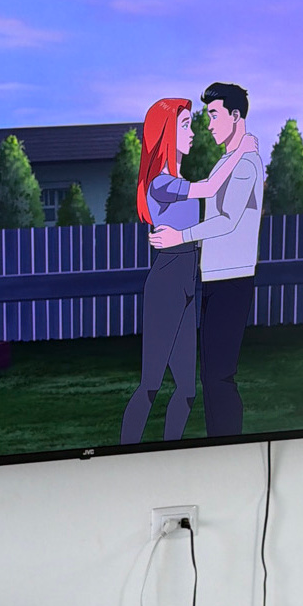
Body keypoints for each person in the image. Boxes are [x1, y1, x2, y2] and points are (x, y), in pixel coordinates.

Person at [120, 98, 257, 445]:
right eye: (184, 126)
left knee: (186, 390)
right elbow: (210, 188)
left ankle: (172, 451)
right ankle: (124, 452)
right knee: (151, 384)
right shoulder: (161, 182)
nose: (193, 132)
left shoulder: (177, 180)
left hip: (187, 281)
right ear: (166, 134)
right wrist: (240, 151)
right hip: (167, 279)